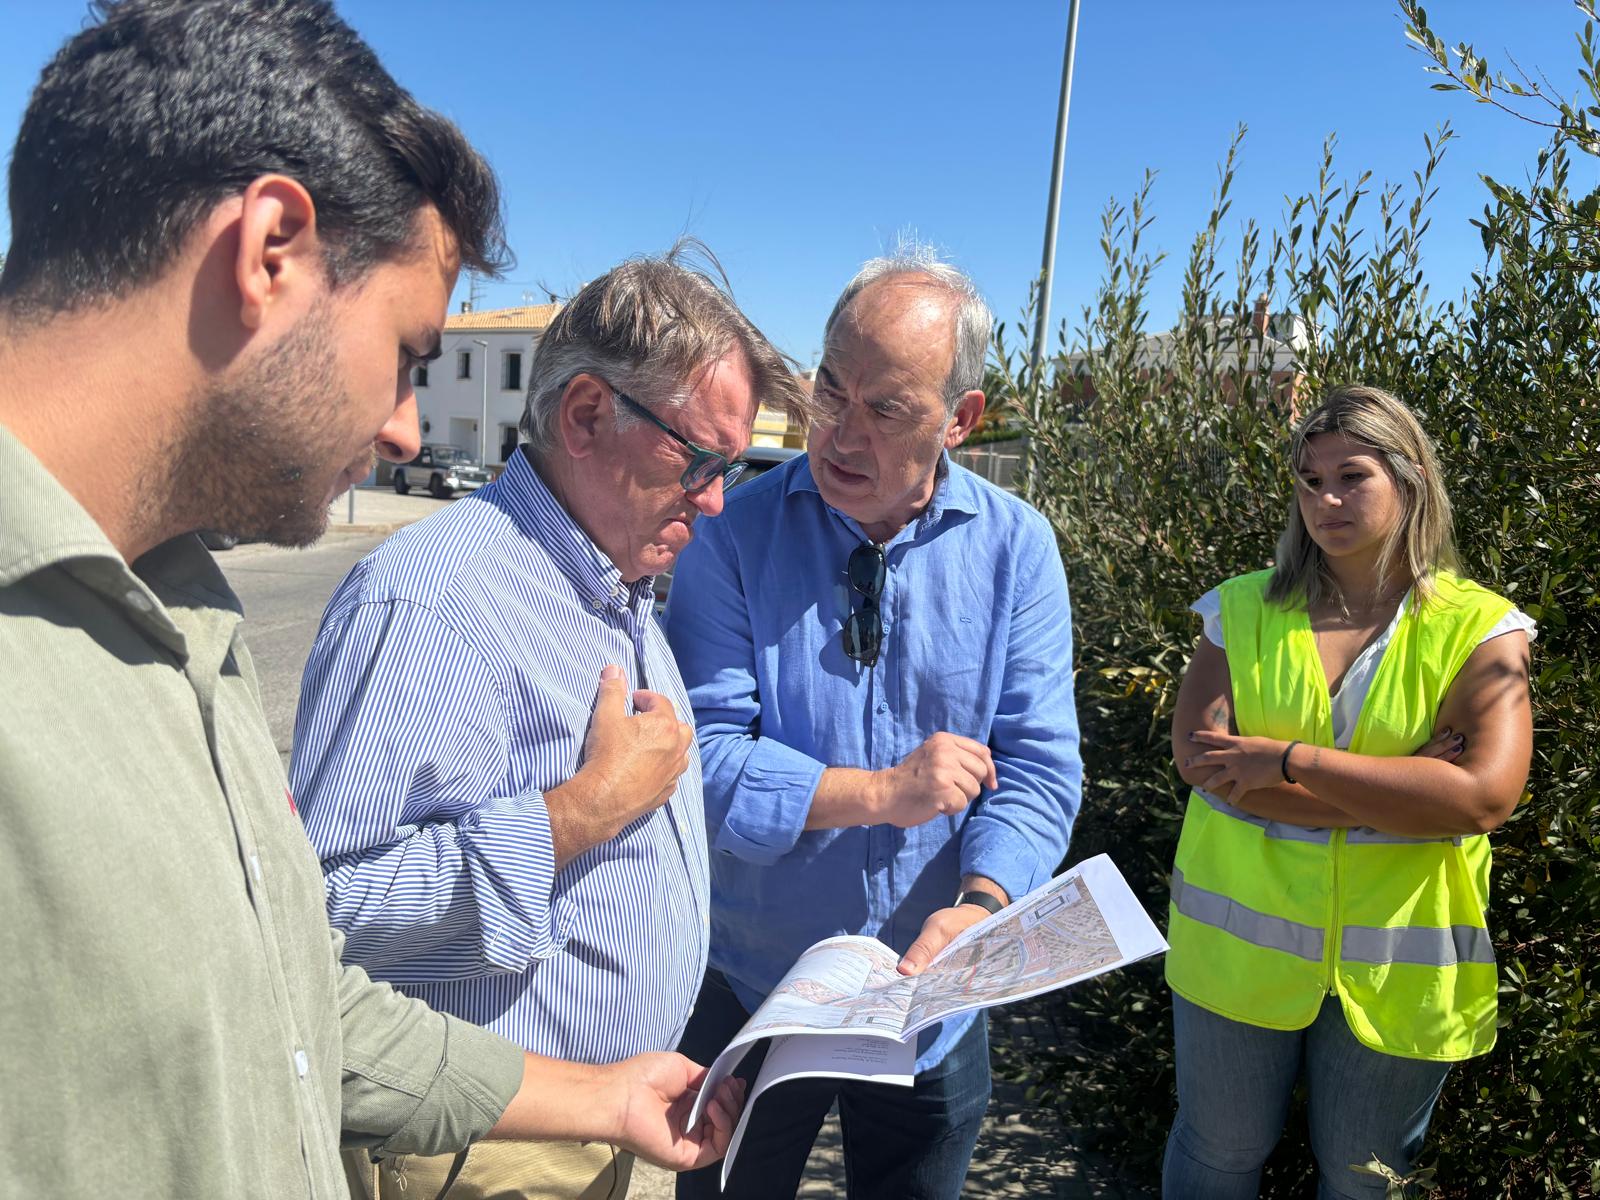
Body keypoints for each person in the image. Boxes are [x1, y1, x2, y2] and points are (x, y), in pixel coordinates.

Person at [0, 3, 740, 1196]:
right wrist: (570, 817)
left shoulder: (178, 609)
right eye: (409, 352)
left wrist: (598, 1093)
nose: (407, 426)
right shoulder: (422, 592)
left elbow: (288, 988)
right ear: (271, 251)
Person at [289, 248, 811, 1199]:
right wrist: (575, 815)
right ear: (584, 416)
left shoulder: (622, 588)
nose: (716, 499)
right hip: (482, 1151)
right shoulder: (432, 596)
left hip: (608, 1126)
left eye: (730, 467)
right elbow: (323, 913)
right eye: (697, 458)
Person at [663, 247, 1083, 1200]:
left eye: (886, 407)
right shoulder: (730, 530)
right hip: (749, 982)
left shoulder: (1018, 549)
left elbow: (1038, 767)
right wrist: (884, 795)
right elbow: (702, 763)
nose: (841, 434)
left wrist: (977, 906)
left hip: (928, 1001)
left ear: (961, 421)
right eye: (831, 389)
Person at [1162, 384, 1535, 1198]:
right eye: (1307, 479)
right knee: (1217, 1153)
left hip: (1402, 967)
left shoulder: (1480, 628)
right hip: (1237, 957)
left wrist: (1288, 761)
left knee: (1366, 1181)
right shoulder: (1243, 609)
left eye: (1351, 476)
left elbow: (1480, 800)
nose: (1323, 499)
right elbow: (1205, 763)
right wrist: (1406, 790)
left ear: (1411, 480)